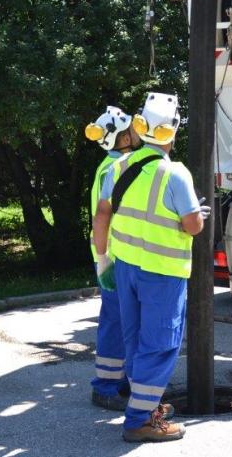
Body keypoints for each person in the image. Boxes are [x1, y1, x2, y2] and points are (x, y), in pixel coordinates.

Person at [92, 92, 209, 443]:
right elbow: (192, 227)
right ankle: (141, 421)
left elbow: (102, 216)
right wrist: (196, 218)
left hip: (125, 267)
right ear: (173, 133)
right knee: (159, 344)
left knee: (134, 339)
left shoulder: (117, 168)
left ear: (140, 127)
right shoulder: (176, 174)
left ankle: (144, 406)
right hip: (162, 271)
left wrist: (103, 260)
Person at [83, 106, 139, 411]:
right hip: (114, 259)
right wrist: (104, 259)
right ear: (123, 136)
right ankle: (105, 387)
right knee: (116, 322)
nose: (138, 132)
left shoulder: (115, 164)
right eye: (132, 128)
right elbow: (104, 218)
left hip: (116, 257)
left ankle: (123, 382)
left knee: (125, 322)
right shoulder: (115, 168)